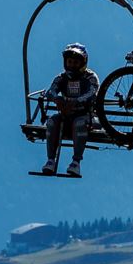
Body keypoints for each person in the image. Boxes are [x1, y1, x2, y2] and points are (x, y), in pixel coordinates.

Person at [40, 43, 99, 177]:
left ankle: (76, 162)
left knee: (79, 124)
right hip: (66, 116)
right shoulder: (61, 78)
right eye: (70, 62)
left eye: (75, 62)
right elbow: (51, 91)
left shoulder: (90, 77)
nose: (72, 65)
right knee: (51, 122)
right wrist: (57, 99)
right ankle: (50, 160)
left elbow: (92, 92)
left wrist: (76, 101)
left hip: (85, 116)